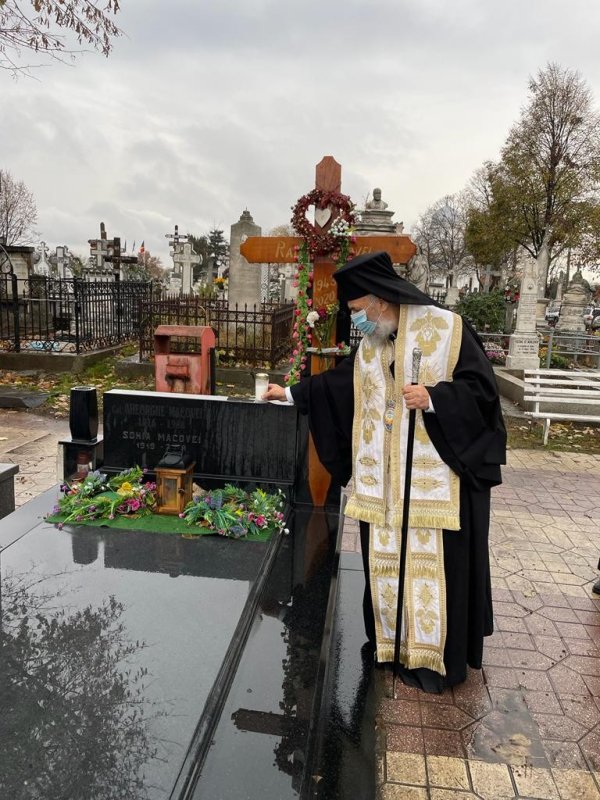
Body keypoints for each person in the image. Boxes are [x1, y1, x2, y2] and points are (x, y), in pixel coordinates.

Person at [264, 251, 506, 692]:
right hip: (385, 490)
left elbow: (483, 394)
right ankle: (391, 647)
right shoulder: (373, 345)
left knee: (434, 572)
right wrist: (291, 393)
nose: (356, 321)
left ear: (380, 299)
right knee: (386, 564)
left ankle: (434, 661)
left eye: (358, 310)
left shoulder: (448, 329)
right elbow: (339, 386)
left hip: (437, 487)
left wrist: (434, 398)